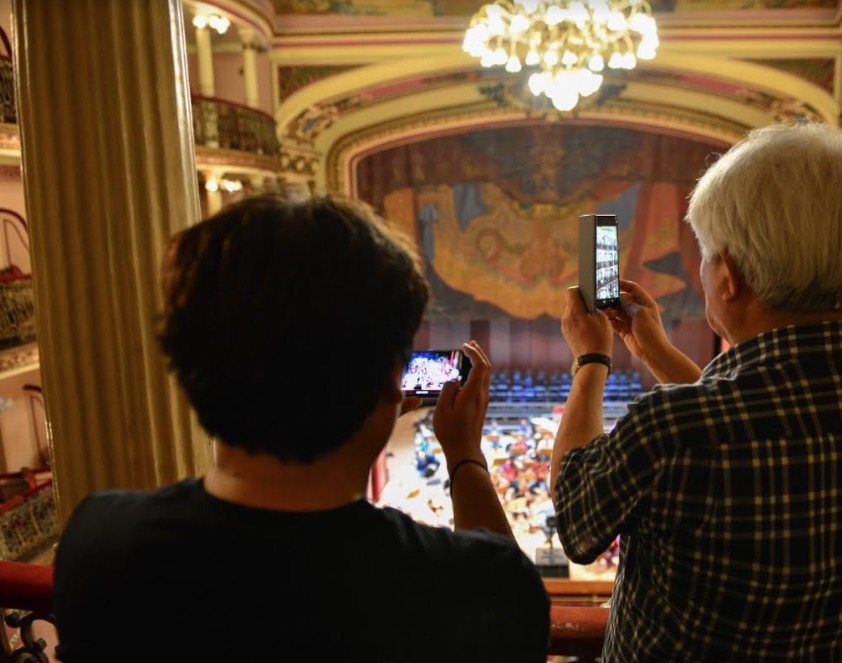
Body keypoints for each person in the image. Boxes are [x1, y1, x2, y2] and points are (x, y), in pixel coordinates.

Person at [53, 195, 550, 661]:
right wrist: (463, 453)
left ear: (189, 362)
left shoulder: (98, 542)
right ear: (390, 380)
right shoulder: (482, 585)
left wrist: (366, 399)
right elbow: (505, 604)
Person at [553, 123, 842, 662]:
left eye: (708, 254)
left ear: (730, 277)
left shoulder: (673, 426)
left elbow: (576, 520)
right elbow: (758, 420)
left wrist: (591, 358)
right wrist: (655, 354)